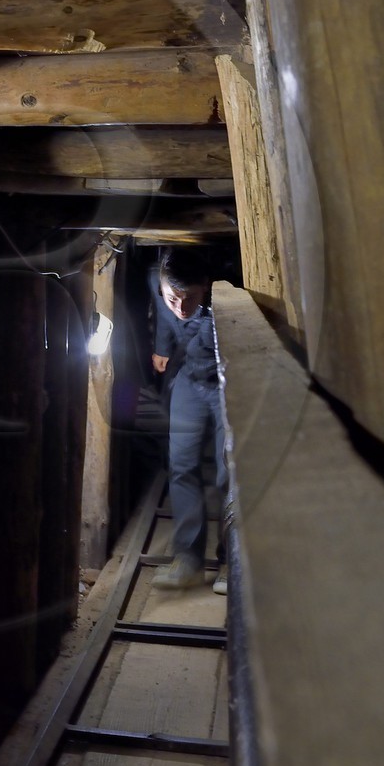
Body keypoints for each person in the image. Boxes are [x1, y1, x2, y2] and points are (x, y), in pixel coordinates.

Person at [148, 249, 228, 595]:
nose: (180, 308)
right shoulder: (158, 283)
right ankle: (188, 560)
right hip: (190, 380)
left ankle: (231, 563)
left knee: (231, 472)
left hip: (228, 383)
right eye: (172, 299)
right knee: (181, 467)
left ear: (206, 286)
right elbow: (163, 315)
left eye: (189, 299)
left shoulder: (226, 296)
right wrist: (162, 346)